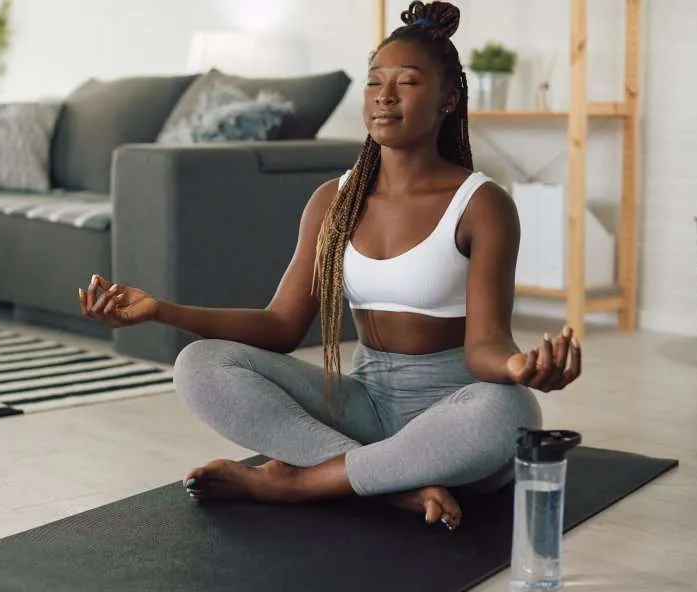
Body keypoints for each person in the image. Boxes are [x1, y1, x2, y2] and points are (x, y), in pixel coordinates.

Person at [78, 0, 581, 531]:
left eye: (406, 83)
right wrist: (161, 310)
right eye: (374, 82)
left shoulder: (482, 203)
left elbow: (485, 348)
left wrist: (517, 368)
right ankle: (389, 485)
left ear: (448, 98)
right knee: (199, 365)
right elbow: (280, 326)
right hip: (363, 409)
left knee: (512, 413)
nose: (384, 97)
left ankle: (301, 482)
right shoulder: (332, 201)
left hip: (453, 413)